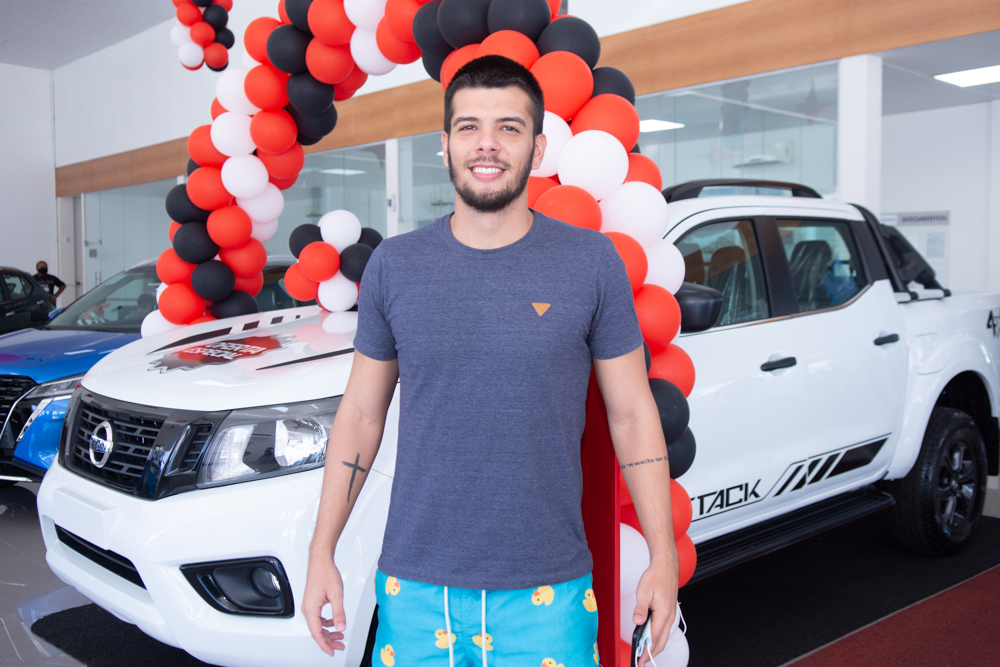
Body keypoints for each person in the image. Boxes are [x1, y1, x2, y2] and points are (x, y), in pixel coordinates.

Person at [303, 55, 677, 666]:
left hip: (550, 592)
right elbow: (361, 416)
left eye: (509, 127)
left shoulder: (591, 262)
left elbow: (634, 414)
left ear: (538, 147)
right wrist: (323, 550)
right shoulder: (395, 265)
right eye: (469, 126)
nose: (487, 144)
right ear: (445, 145)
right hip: (415, 588)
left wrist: (663, 556)